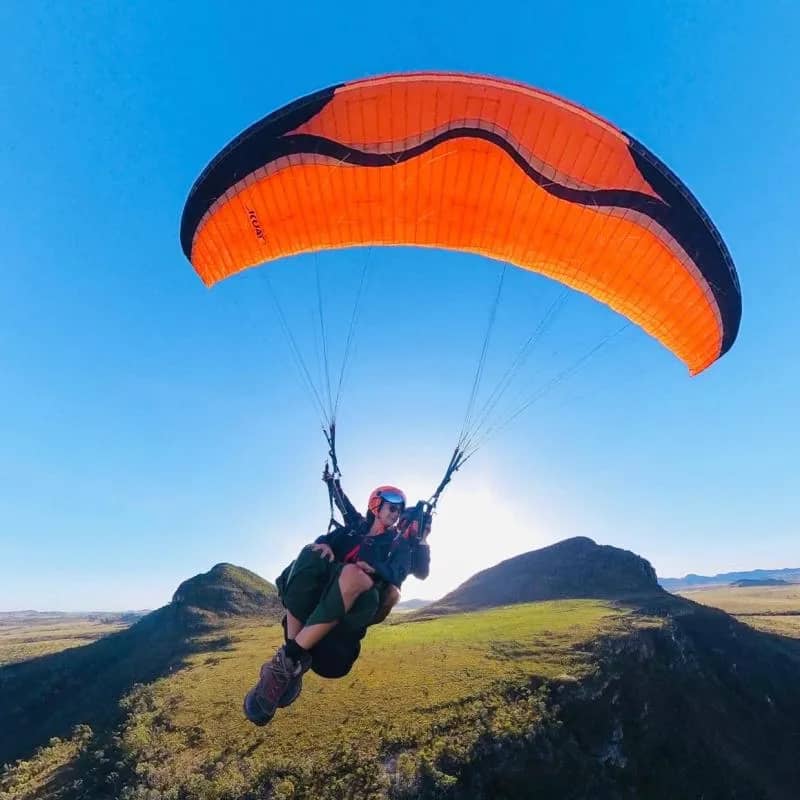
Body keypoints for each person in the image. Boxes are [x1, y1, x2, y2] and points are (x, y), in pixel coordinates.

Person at [243, 484, 431, 726]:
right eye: (392, 507)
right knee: (312, 552)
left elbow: (403, 572)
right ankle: (290, 662)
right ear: (376, 506)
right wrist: (326, 542)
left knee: (356, 574)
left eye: (400, 510)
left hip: (354, 606)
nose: (396, 513)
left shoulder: (399, 546)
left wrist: (377, 567)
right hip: (318, 599)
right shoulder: (353, 530)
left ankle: (288, 658)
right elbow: (330, 534)